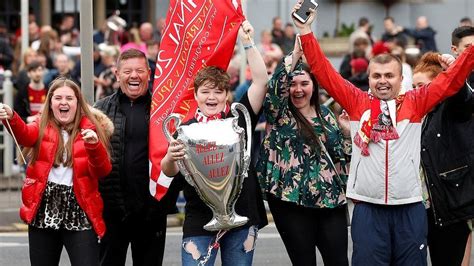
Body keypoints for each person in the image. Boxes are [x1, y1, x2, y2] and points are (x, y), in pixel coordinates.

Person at [291, 2, 474, 265]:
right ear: (369, 78)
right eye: (377, 75)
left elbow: (451, 81)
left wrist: (467, 55)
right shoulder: (356, 101)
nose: (383, 80)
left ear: (402, 79)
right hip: (367, 207)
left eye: (390, 75)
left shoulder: (417, 101)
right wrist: (305, 29)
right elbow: (324, 71)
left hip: (410, 207)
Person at [160, 20, 268, 266]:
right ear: (196, 95)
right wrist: (170, 156)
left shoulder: (238, 118)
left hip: (241, 215)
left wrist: (248, 42)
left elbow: (261, 81)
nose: (212, 97)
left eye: (219, 91)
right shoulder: (185, 130)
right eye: (206, 91)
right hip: (200, 218)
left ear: (227, 95)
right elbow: (170, 170)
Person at [257, 36, 352, 265]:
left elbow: (343, 159)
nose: (297, 89)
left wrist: (347, 134)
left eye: (304, 83)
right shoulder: (279, 115)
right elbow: (275, 86)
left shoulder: (328, 116)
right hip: (291, 201)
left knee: (339, 261)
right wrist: (296, 54)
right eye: (293, 84)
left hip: (331, 201)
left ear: (314, 86)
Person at [0, 77, 113, 266]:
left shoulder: (92, 128)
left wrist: (94, 146)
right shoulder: (41, 124)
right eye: (58, 98)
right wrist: (12, 116)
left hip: (79, 209)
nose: (63, 103)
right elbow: (25, 135)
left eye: (69, 98)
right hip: (44, 209)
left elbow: (102, 170)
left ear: (78, 103)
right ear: (50, 103)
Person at [94, 48, 178, 266]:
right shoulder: (100, 110)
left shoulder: (164, 110)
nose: (134, 76)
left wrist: (165, 201)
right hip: (111, 211)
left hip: (151, 212)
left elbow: (178, 156)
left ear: (149, 74)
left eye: (140, 70)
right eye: (128, 71)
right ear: (116, 73)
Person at [414, 26, 474, 266]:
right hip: (424, 207)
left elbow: (463, 101)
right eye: (414, 86)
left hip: (454, 199)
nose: (418, 92)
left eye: (423, 86)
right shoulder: (416, 113)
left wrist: (454, 76)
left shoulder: (451, 102)